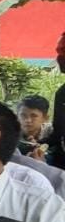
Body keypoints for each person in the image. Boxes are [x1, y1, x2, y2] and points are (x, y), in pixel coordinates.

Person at [46, 31, 65, 169]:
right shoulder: (62, 94)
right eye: (59, 51)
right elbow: (57, 135)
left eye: (64, 51)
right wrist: (38, 143)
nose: (59, 57)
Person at [16, 94, 51, 159]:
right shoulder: (10, 134)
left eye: (34, 116)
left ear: (45, 118)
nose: (28, 120)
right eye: (23, 115)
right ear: (17, 116)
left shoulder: (53, 133)